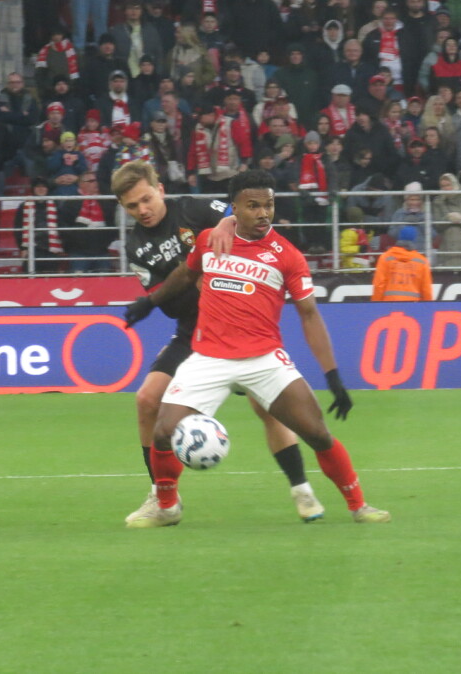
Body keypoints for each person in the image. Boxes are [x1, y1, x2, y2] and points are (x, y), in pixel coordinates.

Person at [123, 169, 391, 526]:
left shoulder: (288, 256)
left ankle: (358, 505)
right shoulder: (209, 240)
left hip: (264, 360)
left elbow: (309, 315)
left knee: (317, 433)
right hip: (208, 356)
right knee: (163, 431)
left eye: (269, 205)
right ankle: (167, 507)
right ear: (234, 208)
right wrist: (150, 302)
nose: (263, 213)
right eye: (253, 206)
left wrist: (333, 376)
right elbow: (186, 274)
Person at [371, 225, 433, 301]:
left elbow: (379, 285)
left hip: (389, 304)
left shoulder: (386, 257)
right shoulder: (422, 261)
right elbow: (426, 289)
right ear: (414, 240)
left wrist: (376, 303)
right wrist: (428, 306)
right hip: (413, 305)